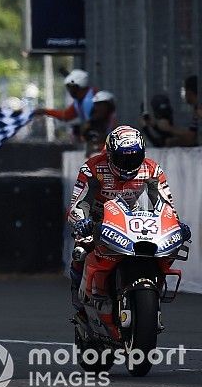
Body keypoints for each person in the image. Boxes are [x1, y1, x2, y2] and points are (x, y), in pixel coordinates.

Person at [66, 126, 191, 320]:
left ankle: (151, 288)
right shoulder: (92, 168)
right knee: (80, 249)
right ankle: (78, 294)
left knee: (160, 247)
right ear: (110, 155)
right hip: (98, 219)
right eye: (122, 159)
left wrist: (175, 224)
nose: (128, 164)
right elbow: (79, 202)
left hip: (132, 218)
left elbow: (166, 203)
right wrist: (81, 221)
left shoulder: (151, 169)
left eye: (134, 158)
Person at [34, 69, 97, 138]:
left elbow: (96, 122)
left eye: (71, 88)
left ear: (78, 87)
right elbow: (66, 115)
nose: (70, 91)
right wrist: (45, 111)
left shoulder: (90, 100)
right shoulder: (80, 101)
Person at [82, 90, 117, 155]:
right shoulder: (92, 122)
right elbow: (85, 137)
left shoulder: (114, 119)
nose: (98, 108)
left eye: (101, 105)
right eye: (96, 105)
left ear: (109, 106)